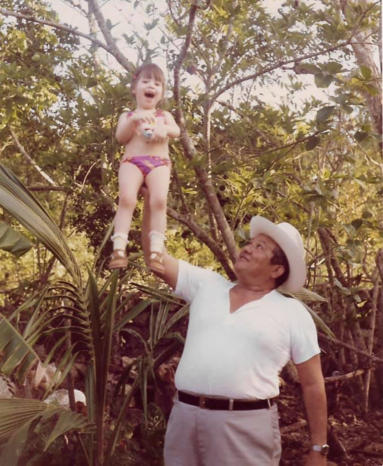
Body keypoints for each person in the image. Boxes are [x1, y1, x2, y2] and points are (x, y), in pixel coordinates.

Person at [148, 215, 328, 466]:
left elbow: (313, 384)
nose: (247, 248)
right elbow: (155, 259)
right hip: (184, 419)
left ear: (277, 270)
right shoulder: (208, 286)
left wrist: (319, 448)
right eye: (251, 243)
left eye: (260, 247)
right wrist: (152, 202)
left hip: (244, 427)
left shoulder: (292, 313)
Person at [109, 63, 180, 272]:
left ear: (161, 92)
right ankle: (119, 248)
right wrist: (134, 121)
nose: (151, 86)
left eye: (157, 83)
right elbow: (121, 137)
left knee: (159, 201)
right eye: (146, 81)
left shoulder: (163, 115)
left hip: (159, 163)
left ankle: (157, 250)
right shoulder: (128, 116)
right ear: (135, 88)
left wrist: (163, 129)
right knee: (126, 199)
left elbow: (176, 131)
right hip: (132, 161)